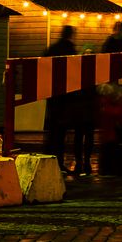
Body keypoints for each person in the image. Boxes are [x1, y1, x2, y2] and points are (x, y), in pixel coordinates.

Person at [44, 25, 79, 167]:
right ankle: (59, 160)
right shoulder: (70, 50)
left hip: (52, 93)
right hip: (66, 96)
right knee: (61, 131)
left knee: (53, 129)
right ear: (71, 35)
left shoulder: (52, 48)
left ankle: (49, 157)